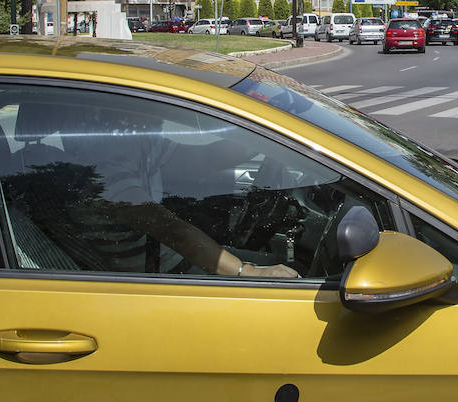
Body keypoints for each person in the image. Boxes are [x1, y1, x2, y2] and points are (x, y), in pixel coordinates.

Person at [15, 99, 298, 279]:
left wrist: (271, 142)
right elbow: (172, 230)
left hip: (165, 263)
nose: (156, 114)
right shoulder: (98, 170)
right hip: (153, 279)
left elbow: (200, 160)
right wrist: (244, 271)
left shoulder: (132, 147)